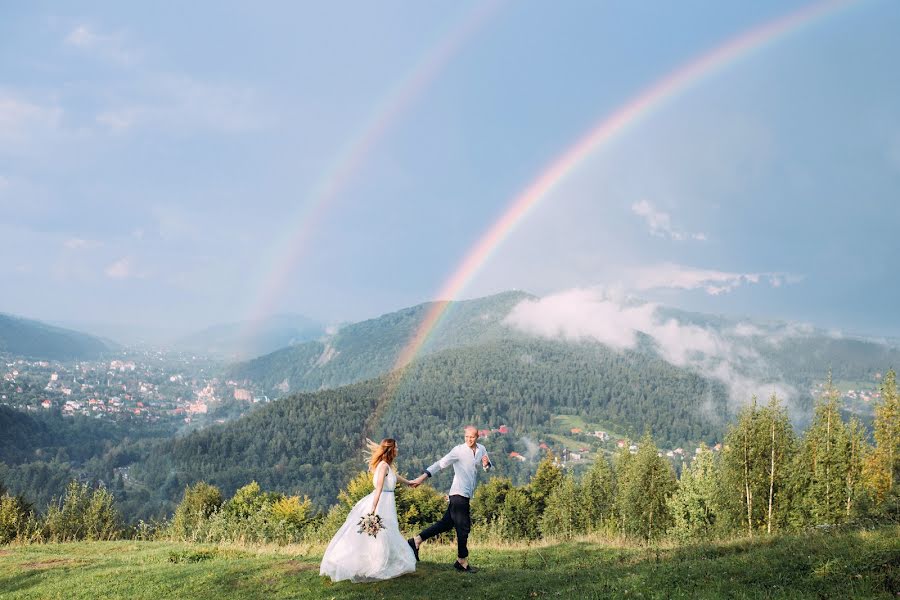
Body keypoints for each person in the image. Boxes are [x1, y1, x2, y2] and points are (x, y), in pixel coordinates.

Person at [320, 438, 417, 583]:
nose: (398, 450)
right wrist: (373, 509)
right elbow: (378, 489)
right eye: (396, 448)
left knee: (385, 533)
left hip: (388, 502)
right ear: (390, 450)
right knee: (380, 533)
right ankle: (376, 563)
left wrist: (409, 482)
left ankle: (382, 560)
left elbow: (394, 476)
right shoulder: (383, 466)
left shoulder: (387, 466)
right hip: (382, 502)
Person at [407, 425, 492, 572]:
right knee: (464, 527)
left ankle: (416, 541)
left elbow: (487, 467)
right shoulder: (458, 450)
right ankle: (461, 561)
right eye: (466, 437)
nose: (469, 440)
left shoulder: (482, 449)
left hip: (466, 494)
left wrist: (486, 465)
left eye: (472, 437)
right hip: (458, 493)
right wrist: (421, 478)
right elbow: (440, 464)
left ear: (477, 437)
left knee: (445, 524)